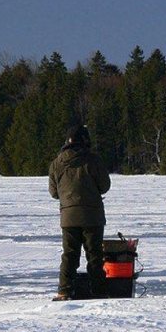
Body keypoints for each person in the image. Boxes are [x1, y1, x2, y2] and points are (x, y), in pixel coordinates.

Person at [49, 125, 111, 300]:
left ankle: (64, 290)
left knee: (69, 254)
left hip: (68, 217)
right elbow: (104, 186)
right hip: (92, 216)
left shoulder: (56, 163)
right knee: (94, 255)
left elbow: (54, 193)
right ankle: (99, 291)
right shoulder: (93, 160)